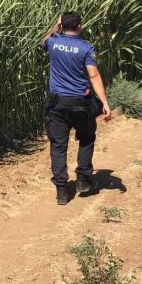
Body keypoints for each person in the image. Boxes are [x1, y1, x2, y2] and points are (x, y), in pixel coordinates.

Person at [39, 12, 112, 205]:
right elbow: (94, 76)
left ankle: (61, 191)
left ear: (62, 25)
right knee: (87, 139)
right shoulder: (86, 47)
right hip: (81, 104)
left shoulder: (53, 42)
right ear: (79, 26)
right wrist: (104, 102)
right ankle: (83, 179)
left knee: (58, 146)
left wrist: (56, 26)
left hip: (57, 104)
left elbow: (42, 42)